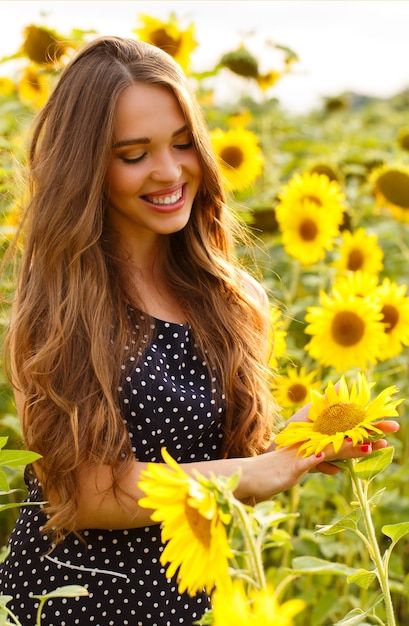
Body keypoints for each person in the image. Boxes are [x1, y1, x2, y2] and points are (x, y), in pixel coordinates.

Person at [0, 36, 399, 626]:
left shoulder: (230, 297)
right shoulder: (61, 306)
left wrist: (290, 446)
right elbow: (88, 494)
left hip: (196, 597)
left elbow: (221, 458)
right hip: (74, 601)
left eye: (184, 144)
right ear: (85, 167)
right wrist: (258, 474)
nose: (169, 171)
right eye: (134, 154)